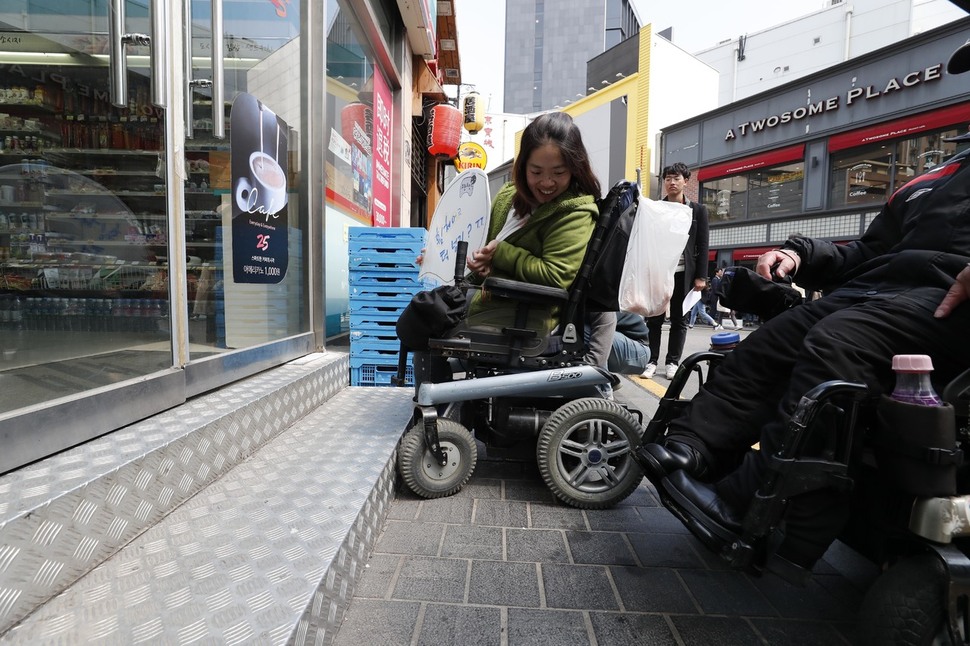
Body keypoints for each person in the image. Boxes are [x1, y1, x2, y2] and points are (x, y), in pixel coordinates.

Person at [637, 40, 970, 578]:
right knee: (774, 338)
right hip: (880, 291)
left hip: (947, 306)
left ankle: (767, 503)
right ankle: (695, 448)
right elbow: (868, 251)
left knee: (836, 342)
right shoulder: (936, 176)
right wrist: (798, 253)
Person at [413, 111, 601, 385]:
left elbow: (556, 276)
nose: (546, 183)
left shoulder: (576, 212)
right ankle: (438, 410)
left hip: (526, 317)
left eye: (558, 173)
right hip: (492, 301)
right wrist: (441, 260)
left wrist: (501, 255)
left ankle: (439, 413)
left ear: (575, 168)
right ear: (522, 166)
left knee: (424, 320)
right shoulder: (506, 198)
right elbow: (479, 256)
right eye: (536, 172)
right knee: (422, 314)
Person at [641, 163, 710, 380]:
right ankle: (651, 361)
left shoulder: (697, 211)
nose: (672, 182)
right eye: (668, 179)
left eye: (676, 178)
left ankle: (672, 362)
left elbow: (703, 244)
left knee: (680, 319)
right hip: (660, 271)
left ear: (685, 181)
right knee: (654, 317)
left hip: (684, 272)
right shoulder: (655, 208)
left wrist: (701, 276)